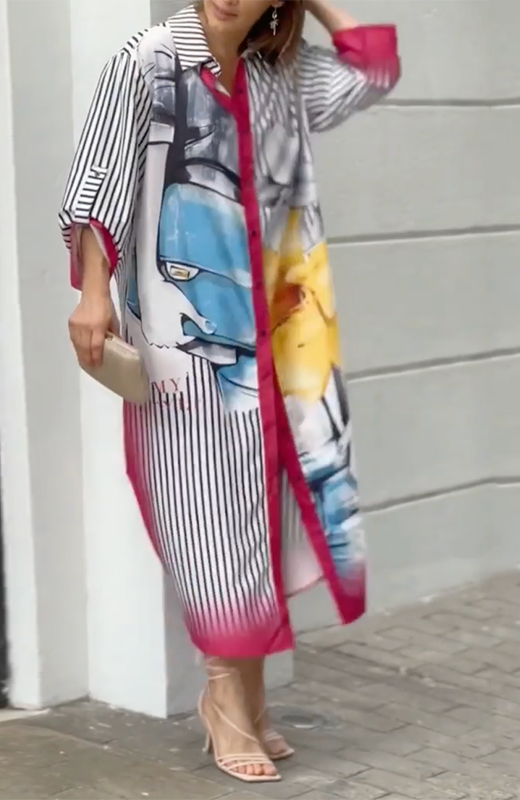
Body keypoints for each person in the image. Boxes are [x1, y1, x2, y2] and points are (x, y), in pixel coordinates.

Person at [59, 0, 400, 784]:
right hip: (185, 343)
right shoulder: (147, 59)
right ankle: (223, 695)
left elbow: (374, 68)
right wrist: (92, 296)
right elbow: (97, 180)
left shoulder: (279, 75)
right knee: (207, 514)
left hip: (280, 344)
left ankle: (246, 696)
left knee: (263, 514)